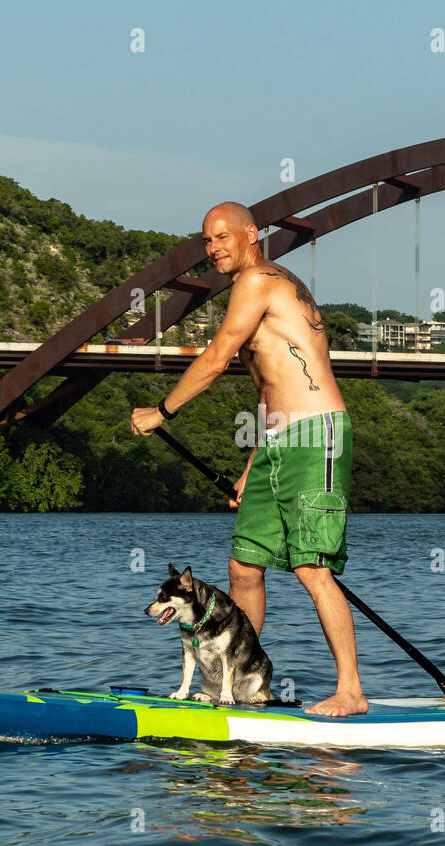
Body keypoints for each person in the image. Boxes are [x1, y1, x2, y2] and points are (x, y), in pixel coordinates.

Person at [130, 201, 366, 716]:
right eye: (205, 241)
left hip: (315, 437)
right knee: (243, 567)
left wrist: (163, 412)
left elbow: (215, 359)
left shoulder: (259, 280)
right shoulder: (254, 288)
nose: (212, 248)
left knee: (312, 567)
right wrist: (251, 465)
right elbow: (267, 390)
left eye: (220, 237)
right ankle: (235, 684)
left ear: (250, 234)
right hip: (277, 442)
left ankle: (351, 690)